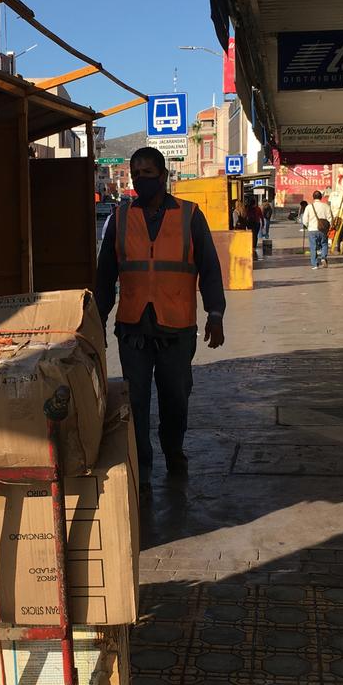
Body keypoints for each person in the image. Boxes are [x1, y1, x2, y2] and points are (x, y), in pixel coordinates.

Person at [95, 147, 226, 478]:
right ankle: (141, 469)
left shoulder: (189, 215)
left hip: (176, 328)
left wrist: (215, 313)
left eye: (148, 174)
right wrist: (98, 319)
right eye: (136, 174)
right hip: (133, 328)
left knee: (175, 399)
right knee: (135, 402)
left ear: (163, 176)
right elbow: (105, 274)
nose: (141, 180)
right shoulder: (120, 218)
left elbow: (209, 268)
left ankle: (173, 452)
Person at [301, 190, 334, 269]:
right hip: (323, 229)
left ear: (313, 197)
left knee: (313, 246)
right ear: (321, 197)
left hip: (312, 230)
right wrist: (329, 227)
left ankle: (315, 264)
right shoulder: (326, 206)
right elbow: (330, 218)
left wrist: (307, 226)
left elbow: (304, 219)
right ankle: (323, 257)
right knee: (324, 244)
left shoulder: (309, 207)